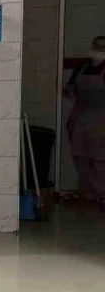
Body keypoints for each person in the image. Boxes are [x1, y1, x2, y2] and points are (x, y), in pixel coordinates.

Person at [65, 34, 105, 208]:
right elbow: (70, 88)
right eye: (97, 47)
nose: (98, 51)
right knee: (79, 157)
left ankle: (102, 195)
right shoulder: (82, 66)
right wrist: (69, 90)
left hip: (101, 119)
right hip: (80, 117)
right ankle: (92, 193)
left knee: (100, 159)